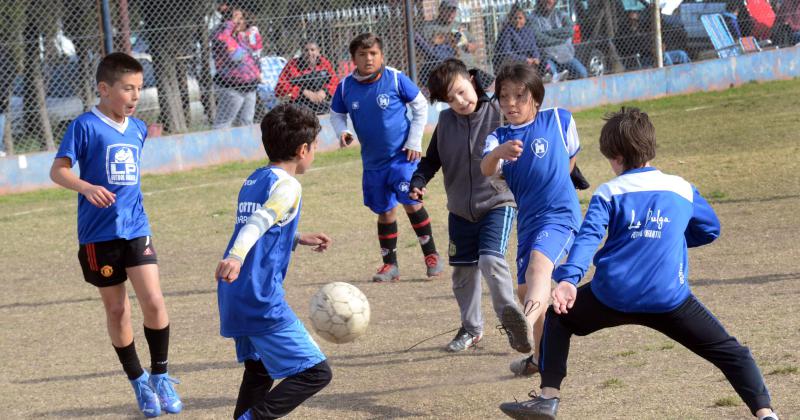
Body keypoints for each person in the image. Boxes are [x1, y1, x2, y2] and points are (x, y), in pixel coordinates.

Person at [498, 107, 779, 420]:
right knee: (732, 353)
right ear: (650, 148)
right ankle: (765, 412)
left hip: (612, 294)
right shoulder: (681, 189)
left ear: (615, 157)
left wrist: (567, 281)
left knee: (559, 319)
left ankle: (548, 398)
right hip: (669, 297)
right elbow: (710, 228)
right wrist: (669, 240)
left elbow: (588, 238)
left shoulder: (608, 193)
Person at [49, 52, 181, 418]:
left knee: (153, 300)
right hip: (97, 235)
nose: (135, 95)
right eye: (128, 88)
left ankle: (161, 375)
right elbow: (58, 172)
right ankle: (138, 380)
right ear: (104, 89)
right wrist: (86, 187)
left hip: (136, 228)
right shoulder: (84, 126)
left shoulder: (138, 129)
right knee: (118, 308)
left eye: (139, 88)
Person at [215, 103, 333, 420]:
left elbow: (261, 227)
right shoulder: (288, 185)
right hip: (258, 296)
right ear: (303, 149)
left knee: (260, 370)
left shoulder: (256, 179)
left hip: (233, 292)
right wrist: (236, 257)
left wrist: (294, 237)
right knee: (316, 373)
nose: (315, 152)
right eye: (316, 146)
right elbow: (260, 222)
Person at [410, 58, 532, 354]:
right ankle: (472, 329)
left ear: (472, 80)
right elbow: (431, 161)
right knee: (463, 274)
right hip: (460, 211)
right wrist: (418, 180)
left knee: (490, 260)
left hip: (497, 202)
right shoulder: (446, 124)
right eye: (451, 99)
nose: (460, 101)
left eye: (462, 91)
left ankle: (511, 319)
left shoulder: (497, 114)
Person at [480, 63, 582, 379]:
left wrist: (556, 191)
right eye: (504, 97)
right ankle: (540, 358)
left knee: (540, 269)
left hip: (561, 215)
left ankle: (523, 322)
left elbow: (570, 157)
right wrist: (498, 153)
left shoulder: (559, 119)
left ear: (535, 97)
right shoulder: (497, 137)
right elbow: (486, 169)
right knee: (526, 289)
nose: (510, 103)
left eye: (519, 96)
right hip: (529, 222)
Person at [330, 33, 444, 282]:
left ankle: (431, 254)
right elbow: (336, 114)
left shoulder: (394, 78)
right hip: (373, 162)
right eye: (362, 54)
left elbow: (420, 104)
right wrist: (343, 131)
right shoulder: (345, 86)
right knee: (385, 211)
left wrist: (414, 140)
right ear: (353, 59)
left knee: (412, 202)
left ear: (381, 56)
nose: (368, 59)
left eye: (373, 54)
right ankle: (390, 265)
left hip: (402, 157)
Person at [211, 6, 263, 129]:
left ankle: (244, 147)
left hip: (250, 85)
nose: (239, 21)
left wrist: (257, 73)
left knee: (247, 121)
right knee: (223, 123)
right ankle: (218, 147)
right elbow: (234, 55)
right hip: (231, 86)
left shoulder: (246, 36)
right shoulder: (221, 35)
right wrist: (230, 25)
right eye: (235, 18)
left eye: (242, 18)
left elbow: (256, 52)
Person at [529, 0, 588, 81]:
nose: (548, 1)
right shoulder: (533, 18)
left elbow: (570, 31)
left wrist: (546, 33)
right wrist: (561, 39)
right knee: (551, 78)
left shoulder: (562, 15)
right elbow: (538, 38)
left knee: (583, 73)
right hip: (547, 57)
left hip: (565, 55)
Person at [275, 41, 340, 115]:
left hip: (322, 100)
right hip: (300, 102)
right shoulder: (292, 65)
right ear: (301, 52)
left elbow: (335, 82)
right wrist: (302, 91)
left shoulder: (324, 63)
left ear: (318, 51)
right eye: (306, 50)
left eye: (312, 50)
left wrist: (325, 91)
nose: (309, 53)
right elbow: (279, 88)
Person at [419, 0, 479, 70]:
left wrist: (469, 46)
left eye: (454, 11)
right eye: (448, 10)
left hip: (467, 67)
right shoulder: (430, 26)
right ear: (441, 10)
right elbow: (428, 45)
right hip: (445, 70)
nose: (451, 14)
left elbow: (474, 44)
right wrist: (449, 38)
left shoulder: (458, 26)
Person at [493, 4, 542, 75]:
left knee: (545, 56)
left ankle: (551, 73)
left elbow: (533, 47)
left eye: (520, 18)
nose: (517, 20)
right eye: (515, 18)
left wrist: (536, 57)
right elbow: (507, 54)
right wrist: (525, 60)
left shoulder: (528, 31)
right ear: (510, 19)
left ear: (525, 20)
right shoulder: (507, 31)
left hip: (525, 61)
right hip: (510, 63)